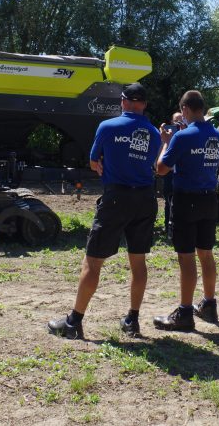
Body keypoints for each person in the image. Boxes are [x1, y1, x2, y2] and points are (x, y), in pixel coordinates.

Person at [48, 83, 161, 339]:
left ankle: (73, 322)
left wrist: (104, 164)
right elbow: (151, 163)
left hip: (116, 198)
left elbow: (93, 160)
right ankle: (132, 320)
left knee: (93, 261)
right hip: (145, 198)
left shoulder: (107, 127)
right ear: (143, 104)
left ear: (123, 101)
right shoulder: (153, 133)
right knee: (138, 260)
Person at [153, 90, 219, 331]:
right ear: (202, 108)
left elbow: (161, 169)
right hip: (209, 199)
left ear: (184, 109)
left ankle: (184, 312)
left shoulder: (181, 138)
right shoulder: (218, 137)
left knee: (186, 257)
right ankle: (209, 304)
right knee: (206, 253)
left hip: (186, 200)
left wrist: (165, 143)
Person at [162, 111, 186, 239]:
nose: (179, 122)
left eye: (182, 120)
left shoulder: (187, 134)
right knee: (168, 200)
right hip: (170, 171)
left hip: (182, 172)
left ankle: (179, 228)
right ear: (171, 122)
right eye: (176, 120)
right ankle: (168, 227)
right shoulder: (168, 134)